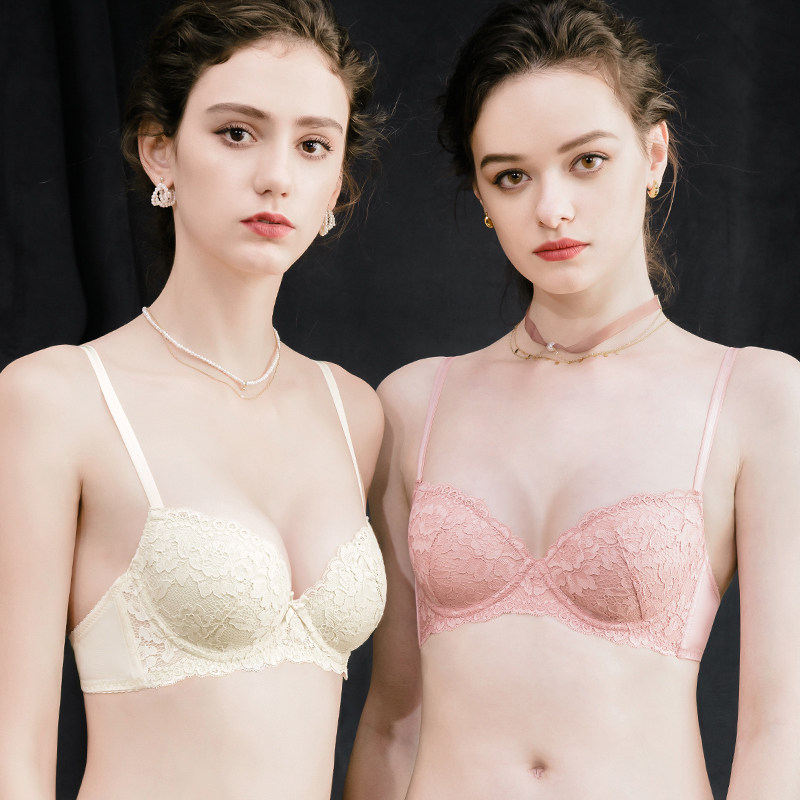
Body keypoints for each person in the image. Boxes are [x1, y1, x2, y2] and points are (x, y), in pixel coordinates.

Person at [345, 1, 800, 797]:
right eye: (511, 176)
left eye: (586, 161)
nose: (551, 208)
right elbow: (391, 720)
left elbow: (780, 727)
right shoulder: (416, 402)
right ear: (482, 195)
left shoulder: (755, 397)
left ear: (653, 154)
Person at [0, 1, 387, 797]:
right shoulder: (58, 399)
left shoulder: (354, 411)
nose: (277, 176)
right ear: (160, 152)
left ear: (336, 187)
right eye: (237, 133)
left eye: (313, 145)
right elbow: (15, 750)